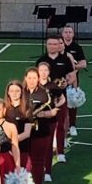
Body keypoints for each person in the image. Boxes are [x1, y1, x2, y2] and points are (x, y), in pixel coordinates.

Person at [36, 34, 75, 163]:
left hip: (60, 98)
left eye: (54, 44)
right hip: (44, 99)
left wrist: (66, 83)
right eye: (49, 44)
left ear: (59, 46)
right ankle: (45, 151)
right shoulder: (41, 60)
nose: (52, 46)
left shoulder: (65, 59)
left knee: (60, 125)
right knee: (45, 126)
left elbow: (72, 76)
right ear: (46, 45)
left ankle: (60, 152)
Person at [24, 66, 59, 184]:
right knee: (25, 162)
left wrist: (43, 114)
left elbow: (52, 112)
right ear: (25, 78)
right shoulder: (21, 92)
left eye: (34, 78)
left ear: (38, 79)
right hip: (24, 132)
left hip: (40, 131)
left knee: (38, 162)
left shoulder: (44, 93)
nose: (32, 80)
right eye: (29, 78)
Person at [4, 81, 34, 184]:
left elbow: (27, 133)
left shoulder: (27, 109)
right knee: (7, 180)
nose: (14, 94)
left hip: (22, 150)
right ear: (8, 93)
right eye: (12, 91)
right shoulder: (4, 109)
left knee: (19, 180)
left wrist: (12, 142)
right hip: (5, 152)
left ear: (21, 92)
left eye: (17, 91)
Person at [61, 24, 87, 138]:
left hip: (73, 79)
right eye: (66, 32)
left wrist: (73, 66)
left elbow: (84, 63)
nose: (68, 34)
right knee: (60, 102)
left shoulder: (77, 47)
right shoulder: (59, 46)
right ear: (62, 34)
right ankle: (62, 126)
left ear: (73, 34)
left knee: (73, 102)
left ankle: (72, 125)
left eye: (70, 32)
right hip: (60, 80)